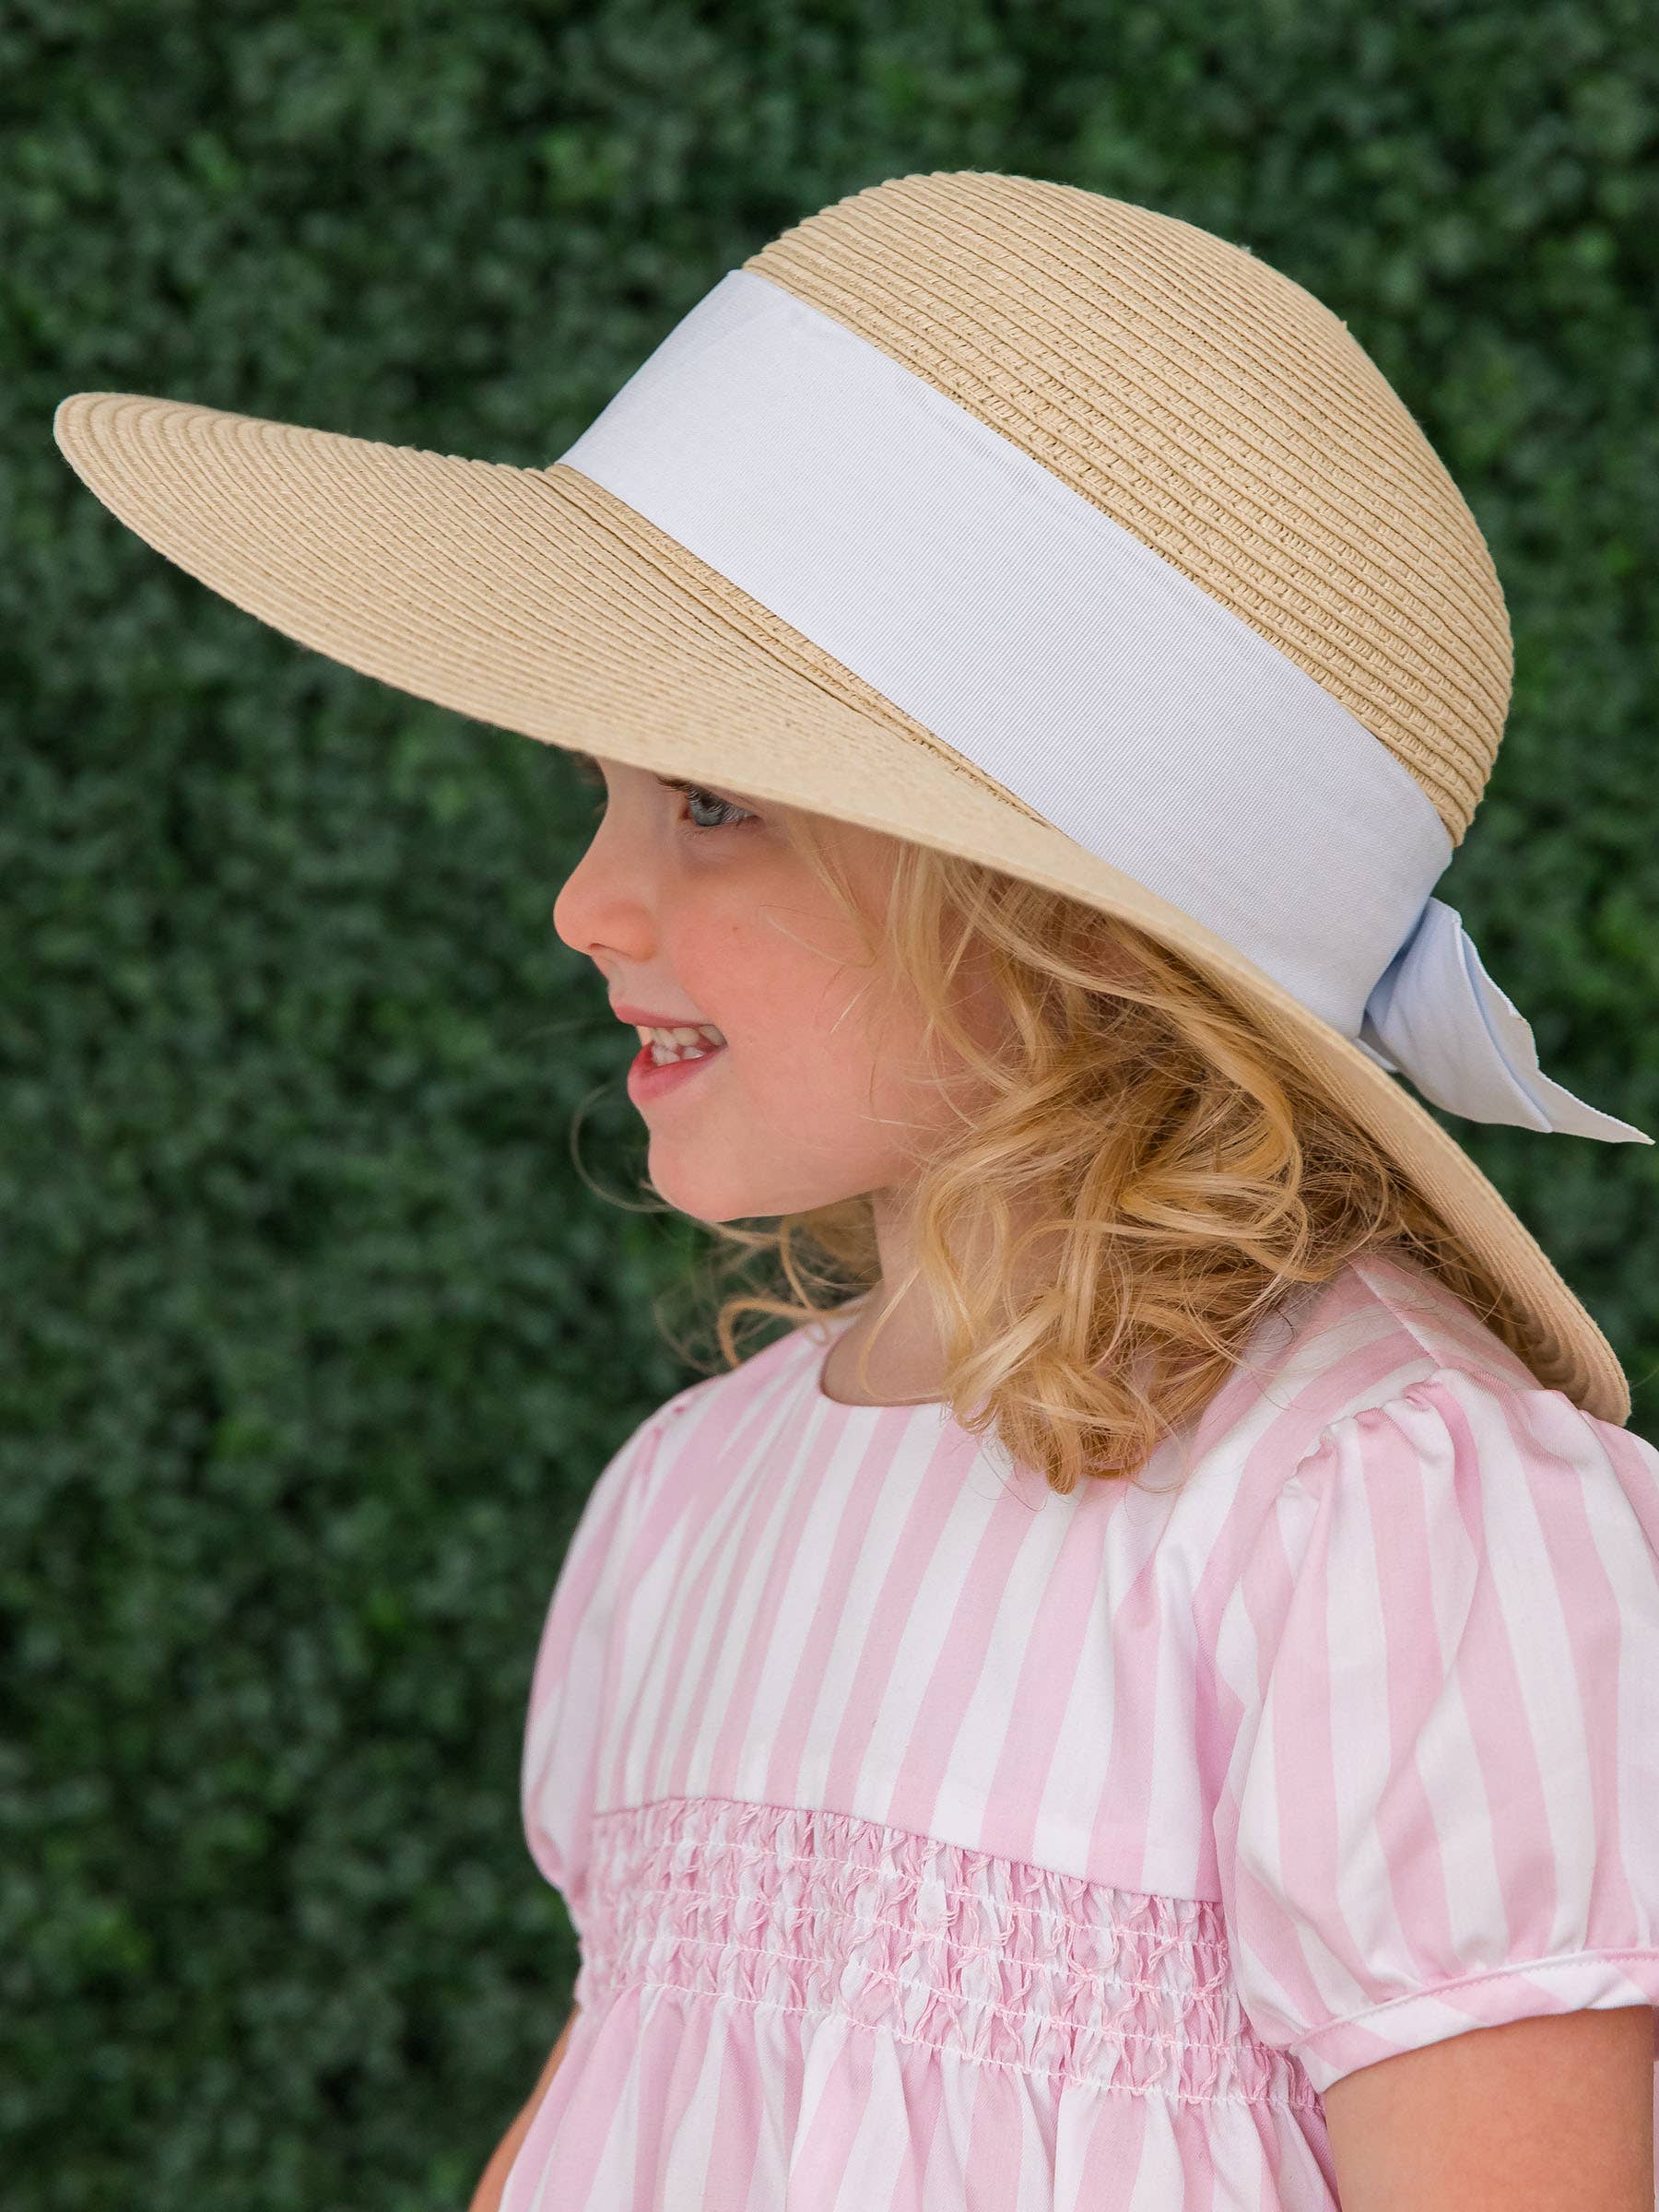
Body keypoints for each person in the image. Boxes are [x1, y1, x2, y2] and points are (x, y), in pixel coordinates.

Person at [52, 171, 1659, 2210]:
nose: (585, 900)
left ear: (1074, 930)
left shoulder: (1374, 1530)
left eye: (714, 802)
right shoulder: (693, 1510)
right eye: (611, 790)